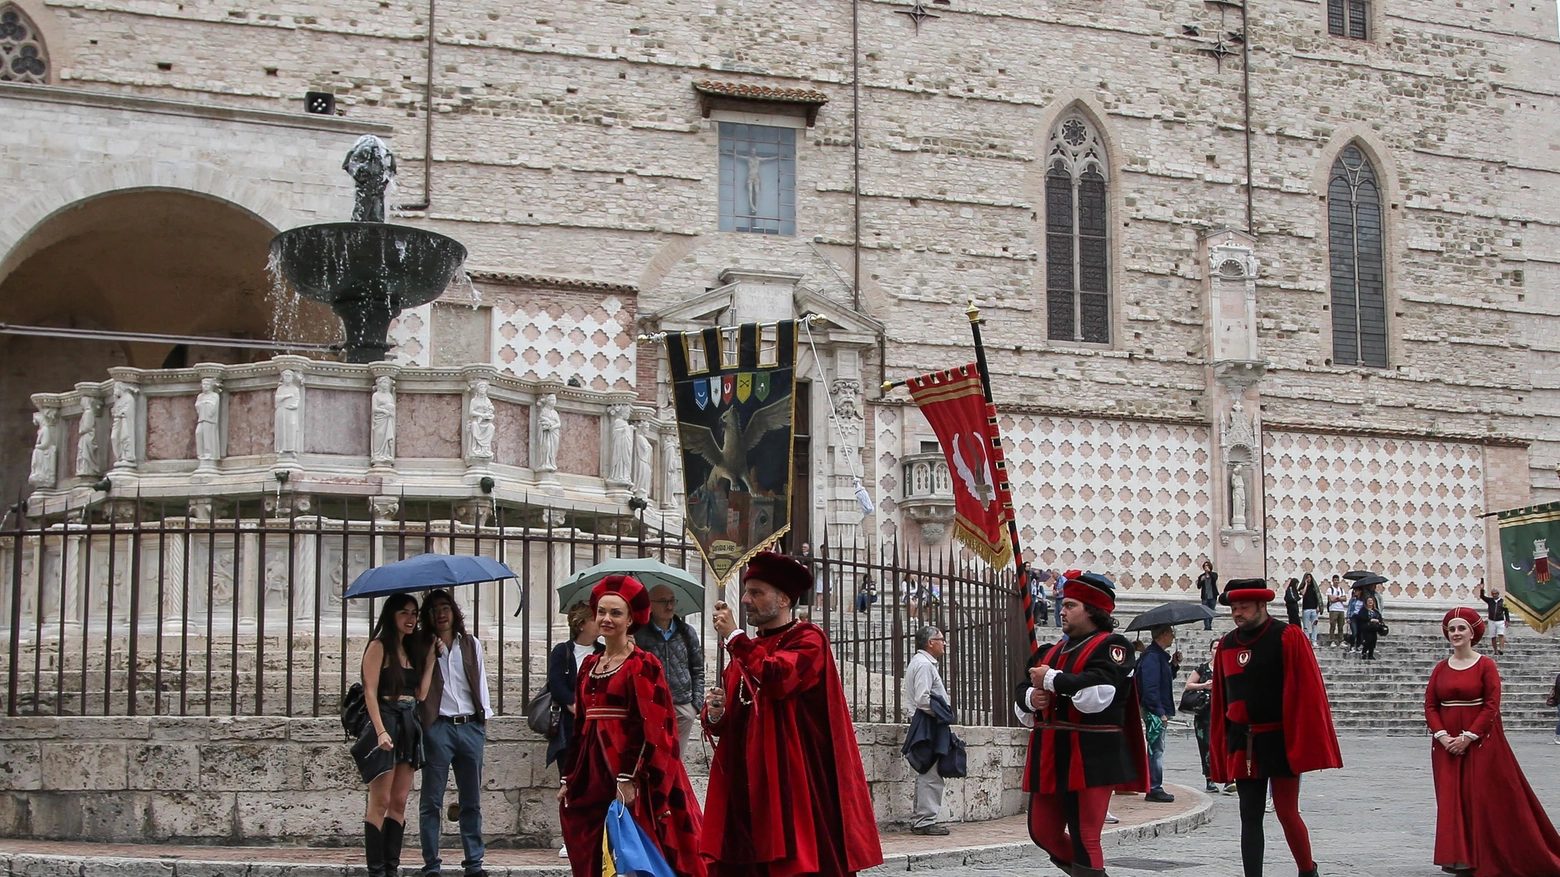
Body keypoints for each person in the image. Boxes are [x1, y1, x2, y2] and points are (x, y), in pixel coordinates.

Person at [701, 551, 883, 877]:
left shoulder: (808, 639)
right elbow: (733, 714)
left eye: (756, 592)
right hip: (745, 785)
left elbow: (780, 679)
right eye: (746, 591)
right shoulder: (748, 650)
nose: (745, 600)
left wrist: (733, 637)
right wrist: (715, 712)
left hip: (792, 784)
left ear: (783, 598)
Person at [558, 576, 704, 877]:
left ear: (630, 620)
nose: (606, 619)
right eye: (601, 612)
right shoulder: (589, 665)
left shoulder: (642, 664)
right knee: (588, 832)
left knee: (639, 838)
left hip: (628, 764)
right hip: (591, 764)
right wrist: (569, 776)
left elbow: (647, 724)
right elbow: (580, 724)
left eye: (615, 613)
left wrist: (627, 777)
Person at [1013, 571, 1147, 877]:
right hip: (1050, 752)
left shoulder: (1114, 647)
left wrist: (1051, 679)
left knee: (1086, 833)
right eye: (1063, 604)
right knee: (1041, 830)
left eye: (1071, 605)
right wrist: (1034, 697)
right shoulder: (1050, 652)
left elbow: (1099, 690)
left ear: (1092, 609)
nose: (1061, 609)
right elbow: (1022, 689)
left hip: (1092, 753)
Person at [1210, 578, 1342, 877]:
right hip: (1243, 742)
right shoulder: (1228, 644)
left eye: (1243, 607)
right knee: (1249, 815)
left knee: (1286, 811)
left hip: (1280, 740)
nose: (1237, 613)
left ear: (1261, 605)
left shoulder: (1287, 637)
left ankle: (1308, 871)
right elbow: (1221, 697)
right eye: (1233, 608)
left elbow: (1307, 692)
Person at [1426, 607, 1560, 876]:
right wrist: (1442, 736)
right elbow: (1430, 705)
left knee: (1481, 797)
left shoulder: (1486, 665)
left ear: (1473, 632)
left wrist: (1468, 737)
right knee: (1451, 798)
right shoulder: (1441, 668)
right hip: (1446, 745)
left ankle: (1485, 855)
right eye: (1452, 629)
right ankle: (1458, 858)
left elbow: (1491, 705)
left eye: (1461, 628)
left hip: (1481, 742)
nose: (1456, 633)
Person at [351, 593, 437, 877]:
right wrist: (380, 731)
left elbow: (421, 694)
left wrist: (431, 661)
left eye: (414, 613)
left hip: (409, 723)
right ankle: (376, 871)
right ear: (391, 616)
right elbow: (370, 692)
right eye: (404, 613)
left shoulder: (412, 649)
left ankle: (391, 867)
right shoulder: (378, 647)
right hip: (387, 719)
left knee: (399, 801)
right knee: (381, 801)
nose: (411, 618)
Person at [416, 590, 493, 877]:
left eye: (445, 607)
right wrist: (429, 655)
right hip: (438, 726)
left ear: (454, 611)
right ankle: (431, 865)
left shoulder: (470, 644)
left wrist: (483, 720)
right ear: (429, 615)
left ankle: (474, 864)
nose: (441, 614)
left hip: (470, 725)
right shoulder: (423, 645)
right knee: (432, 800)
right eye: (435, 609)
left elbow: (481, 680)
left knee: (471, 800)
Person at [546, 602, 600, 858]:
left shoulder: (603, 651)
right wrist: (573, 704)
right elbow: (555, 683)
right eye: (595, 617)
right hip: (569, 729)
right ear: (581, 624)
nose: (601, 621)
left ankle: (596, 836)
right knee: (569, 783)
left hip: (597, 727)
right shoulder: (563, 651)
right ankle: (570, 837)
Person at [634, 585, 705, 758]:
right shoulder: (639, 633)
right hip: (650, 705)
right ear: (650, 605)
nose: (670, 606)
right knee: (653, 758)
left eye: (672, 601)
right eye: (663, 601)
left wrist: (696, 705)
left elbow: (697, 669)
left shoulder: (687, 632)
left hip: (682, 705)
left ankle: (674, 785)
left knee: (675, 760)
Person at [903, 625, 952, 835]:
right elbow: (923, 699)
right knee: (931, 772)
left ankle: (923, 817)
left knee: (929, 771)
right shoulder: (924, 665)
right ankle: (925, 820)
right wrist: (942, 714)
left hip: (927, 721)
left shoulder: (922, 663)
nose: (944, 643)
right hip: (928, 722)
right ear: (930, 642)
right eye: (941, 639)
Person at [1137, 624, 1177, 803]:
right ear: (1164, 634)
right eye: (1171, 634)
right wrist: (1160, 713)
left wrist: (1174, 666)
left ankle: (1154, 785)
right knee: (1156, 749)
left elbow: (1163, 680)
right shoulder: (1152, 657)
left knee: (1157, 748)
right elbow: (1151, 688)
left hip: (1157, 708)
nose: (1173, 637)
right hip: (1154, 710)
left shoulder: (1158, 657)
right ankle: (1154, 787)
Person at [1184, 639, 1218, 793]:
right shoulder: (1203, 668)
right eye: (1215, 647)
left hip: (1223, 713)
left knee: (1225, 744)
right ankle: (1209, 779)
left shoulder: (1228, 668)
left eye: (1220, 648)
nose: (1217, 651)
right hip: (1205, 713)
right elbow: (1188, 685)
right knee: (1206, 746)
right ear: (1210, 650)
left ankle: (1229, 778)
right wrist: (1204, 685)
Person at [1477, 581, 1510, 656]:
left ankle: (1501, 649)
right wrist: (1482, 589)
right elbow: (1482, 597)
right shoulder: (1490, 600)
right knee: (1493, 636)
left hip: (1500, 620)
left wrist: (1507, 620)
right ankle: (1495, 650)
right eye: (1493, 594)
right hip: (1492, 620)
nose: (1494, 595)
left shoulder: (1502, 601)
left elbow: (1506, 611)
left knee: (1501, 634)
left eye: (1495, 594)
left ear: (1498, 594)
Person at [1358, 597, 1384, 661]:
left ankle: (1370, 654)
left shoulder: (1375, 611)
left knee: (1373, 641)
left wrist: (1377, 620)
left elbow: (1380, 618)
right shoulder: (1363, 610)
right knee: (1368, 640)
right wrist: (1370, 619)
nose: (1370, 602)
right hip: (1366, 628)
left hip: (1374, 628)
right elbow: (1361, 617)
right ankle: (1364, 652)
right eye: (1369, 601)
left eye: (1371, 601)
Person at [1325, 576, 1347, 648]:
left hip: (1341, 609)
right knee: (1333, 625)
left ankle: (1341, 640)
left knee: (1341, 626)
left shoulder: (1341, 589)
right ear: (1332, 581)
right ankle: (1332, 640)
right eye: (1335, 580)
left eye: (1337, 580)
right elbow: (1331, 599)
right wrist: (1340, 598)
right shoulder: (1330, 589)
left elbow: (1345, 598)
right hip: (1333, 609)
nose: (1336, 581)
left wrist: (1337, 598)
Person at [1299, 573, 1320, 647]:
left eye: (1310, 577)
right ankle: (1307, 640)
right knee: (1306, 626)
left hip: (1314, 609)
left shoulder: (1315, 587)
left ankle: (1314, 640)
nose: (1309, 579)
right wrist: (1306, 585)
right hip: (1306, 609)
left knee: (1314, 625)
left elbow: (1318, 597)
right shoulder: (1302, 587)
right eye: (1307, 577)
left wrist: (1318, 606)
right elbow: (1303, 593)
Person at [1197, 561, 1218, 630]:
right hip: (1205, 597)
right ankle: (1207, 626)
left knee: (1211, 611)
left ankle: (1209, 625)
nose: (1206, 567)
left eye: (1207, 566)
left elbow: (1214, 579)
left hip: (1212, 596)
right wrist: (1201, 581)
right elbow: (1198, 586)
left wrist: (1209, 573)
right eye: (1205, 566)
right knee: (1205, 612)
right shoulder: (1201, 576)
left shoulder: (1214, 575)